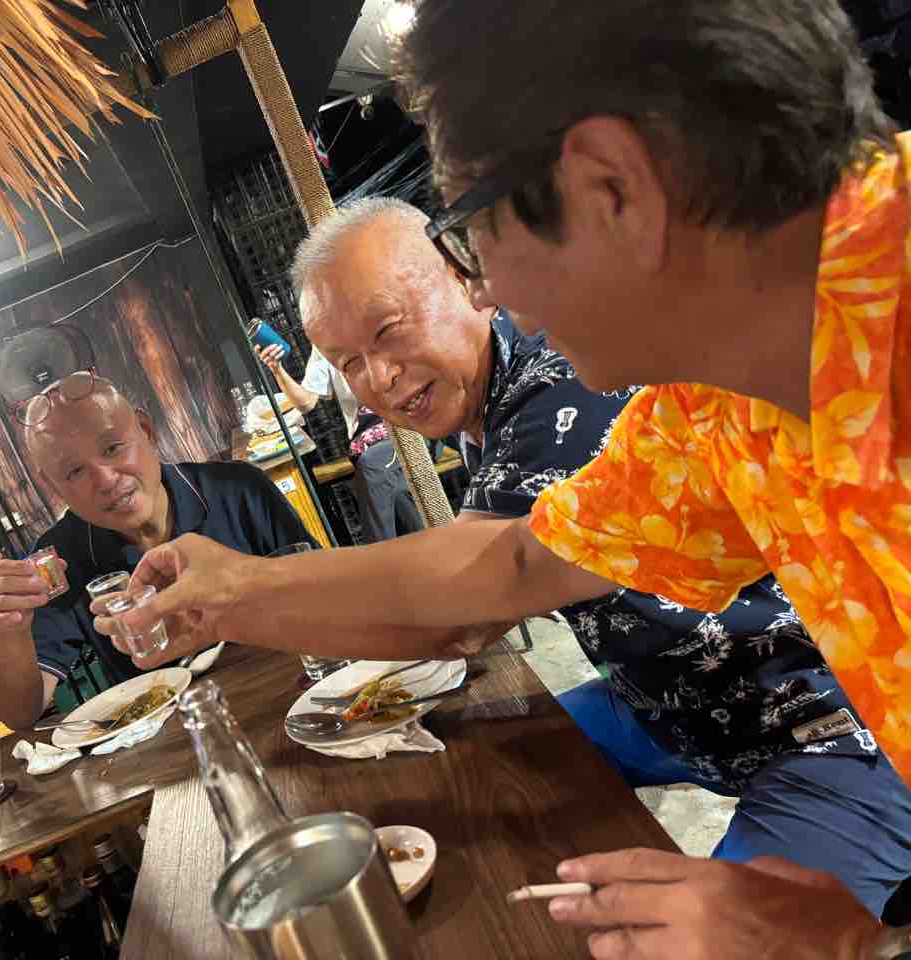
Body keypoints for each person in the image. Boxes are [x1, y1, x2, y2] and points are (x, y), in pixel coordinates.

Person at [101, 2, 911, 955]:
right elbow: (518, 566)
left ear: (610, 187)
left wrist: (859, 942)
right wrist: (235, 590)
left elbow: (471, 603)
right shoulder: (707, 403)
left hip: (817, 738)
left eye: (475, 231)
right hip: (689, 713)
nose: (496, 292)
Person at [0, 373, 316, 731]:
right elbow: (19, 713)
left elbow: (319, 598)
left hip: (294, 701)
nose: (106, 480)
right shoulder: (61, 556)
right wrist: (11, 631)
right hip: (172, 738)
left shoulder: (238, 488)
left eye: (112, 448)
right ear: (52, 485)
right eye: (75, 471)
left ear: (145, 429)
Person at [255, 342, 423, 541]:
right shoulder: (325, 343)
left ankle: (378, 554)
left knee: (372, 467)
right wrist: (277, 369)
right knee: (397, 492)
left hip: (411, 424)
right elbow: (306, 402)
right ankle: (429, 551)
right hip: (367, 442)